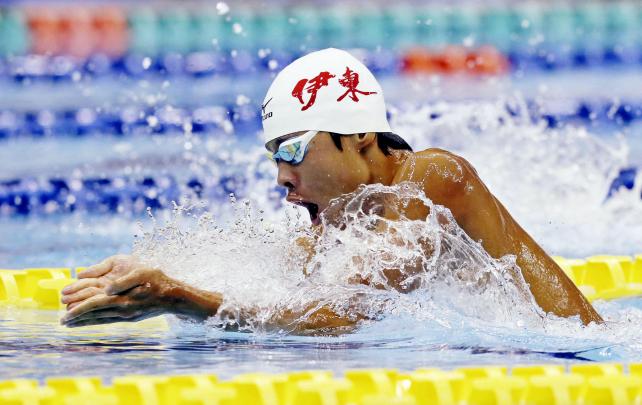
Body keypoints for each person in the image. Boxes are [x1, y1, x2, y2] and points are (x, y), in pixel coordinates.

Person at [60, 48, 602, 332]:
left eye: (292, 152)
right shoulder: (347, 222)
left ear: (360, 135)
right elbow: (271, 278)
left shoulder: (433, 178)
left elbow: (345, 315)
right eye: (274, 159)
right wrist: (151, 272)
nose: (280, 178)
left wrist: (180, 298)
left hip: (585, 368)